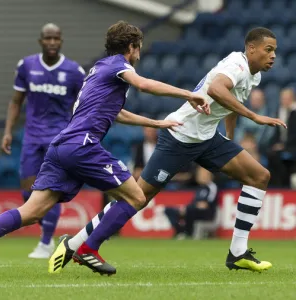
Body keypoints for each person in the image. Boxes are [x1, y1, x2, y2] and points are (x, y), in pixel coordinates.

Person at [48, 27, 287, 275]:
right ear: (251, 48)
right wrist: (254, 116)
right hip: (179, 135)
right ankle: (77, 243)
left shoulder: (253, 75)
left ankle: (238, 252)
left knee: (259, 176)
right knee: (137, 197)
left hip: (207, 138)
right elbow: (217, 89)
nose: (273, 56)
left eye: (275, 52)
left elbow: (229, 105)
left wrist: (229, 138)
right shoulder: (236, 64)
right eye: (268, 50)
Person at [0, 21, 209, 275]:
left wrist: (156, 122)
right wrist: (189, 94)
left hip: (61, 145)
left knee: (31, 211)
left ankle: (83, 247)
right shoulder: (120, 65)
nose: (139, 54)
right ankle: (88, 249)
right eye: (138, 48)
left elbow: (116, 113)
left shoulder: (99, 69)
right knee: (137, 197)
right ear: (131, 46)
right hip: (82, 146)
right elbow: (144, 85)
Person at [0, 23, 85, 259]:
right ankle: (45, 228)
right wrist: (8, 131)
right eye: (48, 38)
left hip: (58, 139)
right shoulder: (26, 65)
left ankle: (46, 242)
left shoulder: (74, 71)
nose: (52, 42)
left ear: (61, 41)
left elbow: (82, 106)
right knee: (28, 194)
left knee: (50, 190)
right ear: (41, 41)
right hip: (31, 137)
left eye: (56, 38)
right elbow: (16, 101)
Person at [164, 166, 217, 239]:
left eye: (202, 174)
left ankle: (185, 232)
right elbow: (196, 203)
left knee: (189, 211)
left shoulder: (211, 187)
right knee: (169, 210)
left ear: (209, 175)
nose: (199, 176)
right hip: (194, 210)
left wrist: (187, 208)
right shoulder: (200, 187)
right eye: (199, 174)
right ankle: (179, 231)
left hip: (206, 214)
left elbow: (204, 205)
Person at [267, 88, 296, 187]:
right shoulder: (280, 112)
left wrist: (283, 145)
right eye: (283, 99)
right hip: (283, 145)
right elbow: (277, 133)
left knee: (281, 158)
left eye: (287, 98)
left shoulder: (294, 112)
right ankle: (276, 186)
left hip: (292, 145)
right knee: (271, 154)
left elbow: (294, 134)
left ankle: (285, 185)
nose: (285, 101)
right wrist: (274, 144)